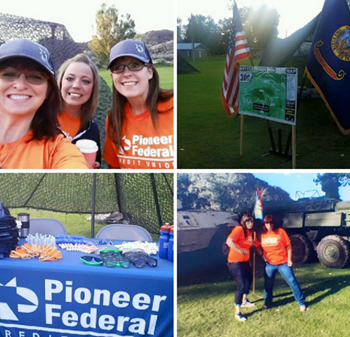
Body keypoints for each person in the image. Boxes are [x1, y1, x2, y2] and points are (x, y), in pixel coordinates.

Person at [0, 39, 88, 169]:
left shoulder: (57, 150)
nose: (20, 85)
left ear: (48, 91)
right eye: (9, 74)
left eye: (35, 77)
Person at [102, 39, 174, 169]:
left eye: (135, 65)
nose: (127, 73)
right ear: (112, 76)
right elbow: (115, 171)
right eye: (118, 68)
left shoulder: (173, 107)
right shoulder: (113, 119)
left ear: (150, 72)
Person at [56, 53, 101, 166]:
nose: (76, 85)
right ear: (60, 82)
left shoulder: (92, 129)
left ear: (93, 89)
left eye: (85, 81)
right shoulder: (39, 119)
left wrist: (94, 167)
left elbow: (96, 162)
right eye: (70, 78)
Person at [256, 214, 306, 312]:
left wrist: (289, 259)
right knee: (268, 284)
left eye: (270, 223)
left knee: (292, 281)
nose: (268, 225)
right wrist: (262, 255)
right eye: (266, 223)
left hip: (283, 263)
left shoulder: (280, 232)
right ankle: (267, 303)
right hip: (269, 264)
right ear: (264, 224)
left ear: (273, 223)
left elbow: (288, 245)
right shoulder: (262, 234)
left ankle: (301, 302)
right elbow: (257, 245)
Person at [226, 214, 259, 322]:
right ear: (243, 222)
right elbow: (229, 241)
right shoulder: (239, 229)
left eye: (252, 221)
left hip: (245, 261)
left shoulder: (252, 233)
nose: (250, 224)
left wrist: (264, 253)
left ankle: (244, 301)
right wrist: (240, 250)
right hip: (234, 262)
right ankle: (238, 312)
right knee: (242, 284)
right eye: (248, 221)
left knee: (249, 279)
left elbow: (258, 244)